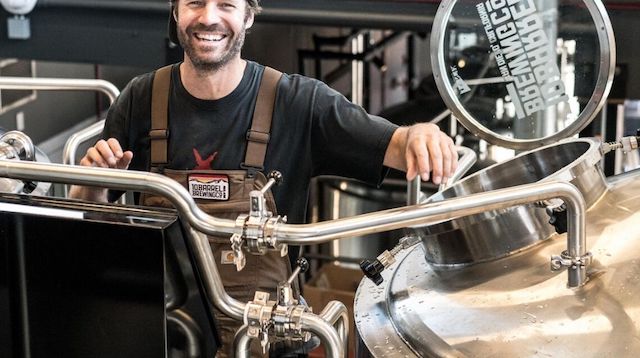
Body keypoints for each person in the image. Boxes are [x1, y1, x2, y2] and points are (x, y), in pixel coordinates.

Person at [69, 0, 458, 356]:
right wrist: (93, 181)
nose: (208, 17)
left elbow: (395, 143)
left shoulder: (297, 102)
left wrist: (420, 134)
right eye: (194, 3)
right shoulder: (140, 99)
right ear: (175, 12)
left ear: (249, 15)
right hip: (167, 334)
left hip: (269, 340)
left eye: (226, 4)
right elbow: (85, 217)